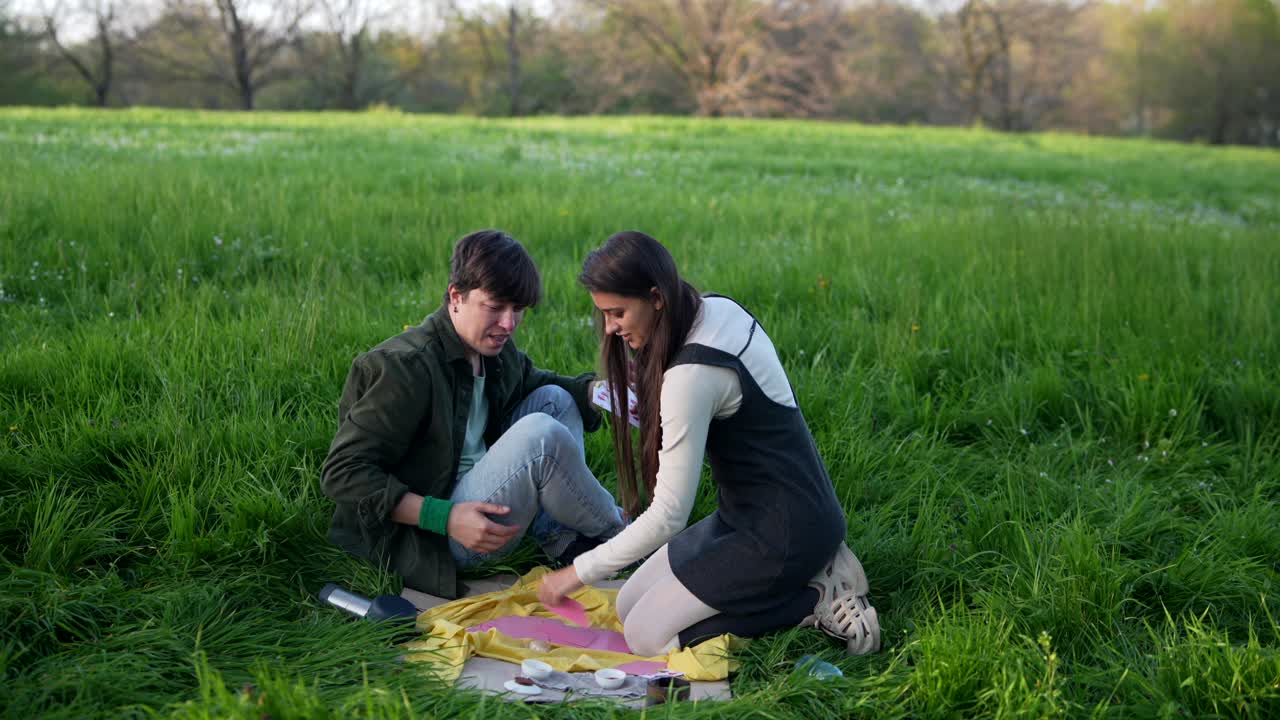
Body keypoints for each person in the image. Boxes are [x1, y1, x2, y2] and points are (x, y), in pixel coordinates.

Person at [537, 231, 880, 655]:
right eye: (604, 314)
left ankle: (814, 598)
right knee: (627, 604)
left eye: (618, 313)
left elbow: (668, 516)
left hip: (785, 533)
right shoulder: (713, 308)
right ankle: (811, 571)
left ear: (656, 297)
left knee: (647, 637)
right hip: (747, 516)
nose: (609, 328)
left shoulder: (691, 376)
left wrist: (575, 573)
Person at [321, 230, 626, 598]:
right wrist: (444, 517)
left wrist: (599, 392)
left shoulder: (492, 350)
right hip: (445, 535)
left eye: (518, 310)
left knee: (555, 399)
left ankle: (559, 538)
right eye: (495, 307)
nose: (509, 324)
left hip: (485, 501)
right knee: (539, 436)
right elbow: (342, 473)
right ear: (456, 296)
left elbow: (536, 382)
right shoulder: (405, 369)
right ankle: (625, 536)